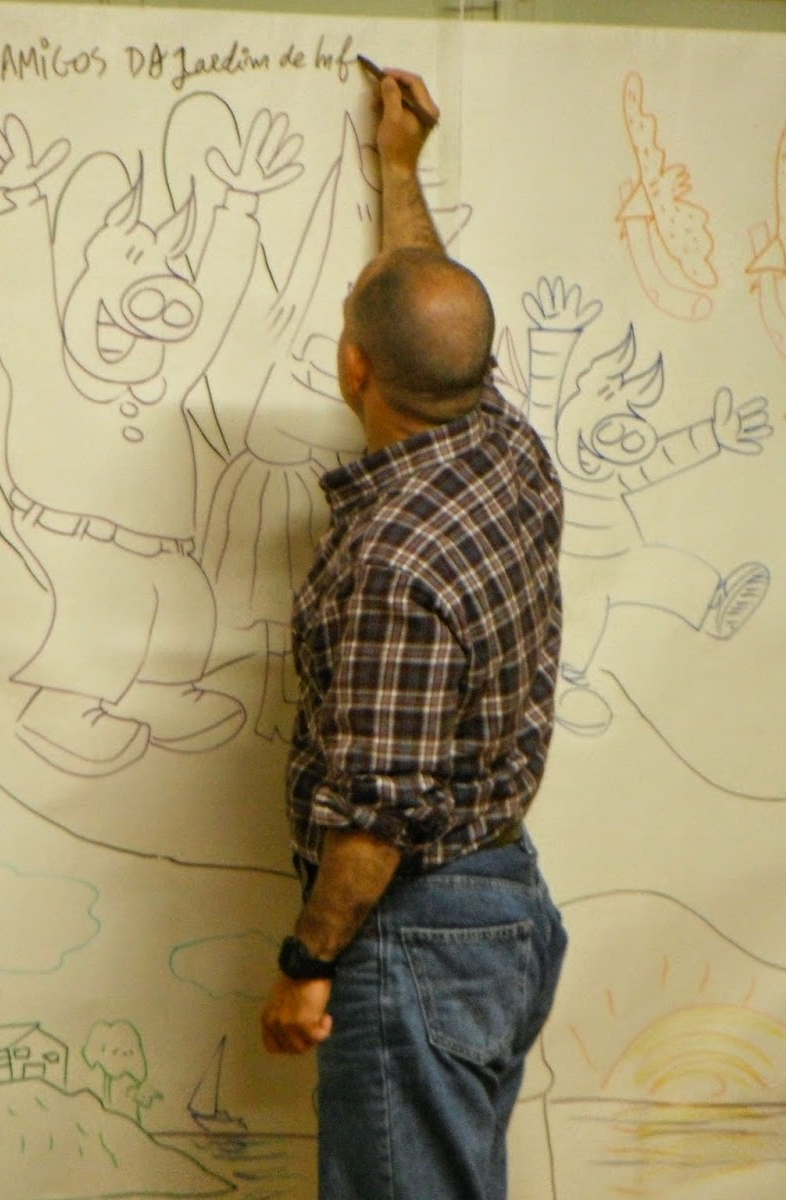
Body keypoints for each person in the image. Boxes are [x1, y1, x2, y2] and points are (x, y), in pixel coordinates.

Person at [258, 68, 568, 1200]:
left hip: (417, 937)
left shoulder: (395, 560)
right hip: (500, 909)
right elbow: (426, 308)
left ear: (354, 367)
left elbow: (378, 815)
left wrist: (307, 962)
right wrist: (400, 170)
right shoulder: (504, 446)